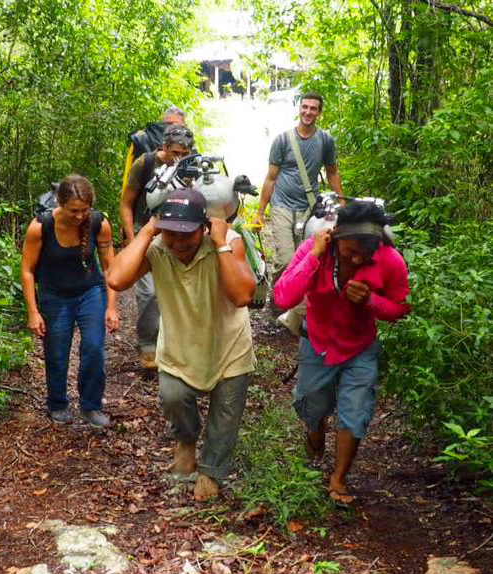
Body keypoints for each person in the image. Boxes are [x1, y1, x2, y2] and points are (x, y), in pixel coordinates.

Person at [107, 188, 256, 501]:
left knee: (225, 416)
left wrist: (220, 243)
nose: (178, 244)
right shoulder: (158, 247)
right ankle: (186, 439)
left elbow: (243, 295)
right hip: (179, 346)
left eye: (186, 235)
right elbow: (117, 279)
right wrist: (147, 230)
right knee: (173, 397)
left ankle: (211, 472)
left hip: (228, 345)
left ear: (202, 227)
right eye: (170, 234)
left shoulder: (228, 243)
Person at [274, 203, 411, 505]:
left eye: (366, 252)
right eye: (350, 251)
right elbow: (283, 296)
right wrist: (314, 255)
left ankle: (338, 479)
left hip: (360, 348)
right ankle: (315, 430)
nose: (358, 257)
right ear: (335, 237)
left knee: (355, 411)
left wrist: (372, 302)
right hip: (317, 343)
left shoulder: (390, 260)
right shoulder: (317, 248)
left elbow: (401, 308)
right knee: (312, 404)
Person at [21, 175, 120, 428]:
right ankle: (57, 403)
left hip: (90, 291)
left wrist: (111, 306)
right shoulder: (40, 226)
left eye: (84, 210)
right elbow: (28, 270)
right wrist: (33, 312)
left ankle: (91, 405)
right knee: (56, 353)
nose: (79, 216)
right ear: (60, 203)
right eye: (73, 210)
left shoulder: (99, 223)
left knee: (94, 347)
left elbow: (110, 268)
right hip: (54, 295)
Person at [253, 92, 344, 334]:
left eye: (314, 108)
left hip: (310, 209)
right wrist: (260, 212)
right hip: (282, 206)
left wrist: (342, 202)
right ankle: (280, 302)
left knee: (309, 261)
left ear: (319, 112)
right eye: (305, 107)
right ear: (299, 109)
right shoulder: (283, 140)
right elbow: (271, 177)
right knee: (285, 260)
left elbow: (332, 172)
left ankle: (296, 313)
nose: (308, 112)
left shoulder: (325, 140)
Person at [119, 124, 195, 369]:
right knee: (149, 292)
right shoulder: (146, 163)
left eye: (185, 153)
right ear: (163, 147)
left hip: (178, 238)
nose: (179, 158)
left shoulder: (191, 166)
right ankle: (148, 345)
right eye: (175, 152)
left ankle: (174, 343)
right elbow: (126, 203)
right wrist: (132, 240)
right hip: (146, 233)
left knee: (176, 290)